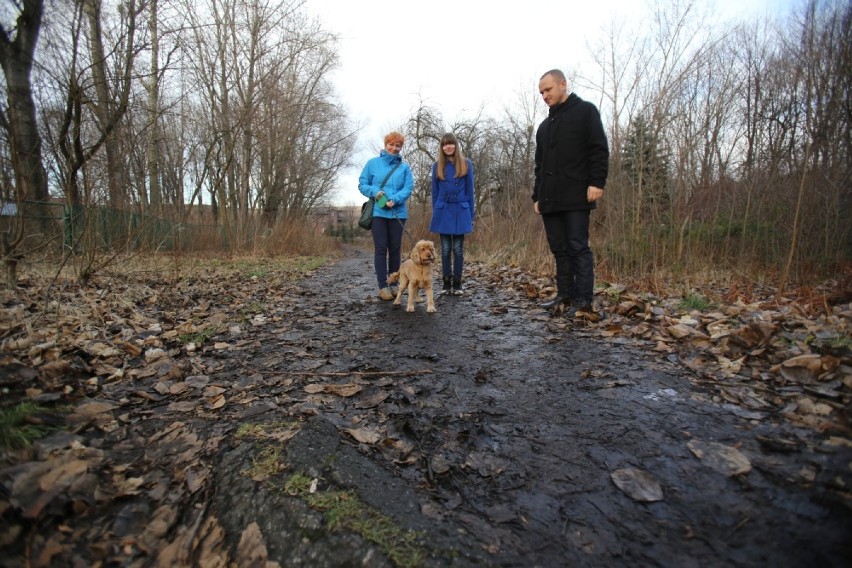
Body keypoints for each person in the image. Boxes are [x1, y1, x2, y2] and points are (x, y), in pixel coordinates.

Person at [533, 69, 609, 318]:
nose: (545, 95)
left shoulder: (585, 111)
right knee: (559, 249)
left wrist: (597, 182)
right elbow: (539, 165)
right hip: (549, 200)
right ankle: (564, 295)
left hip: (577, 195)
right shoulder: (544, 127)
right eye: (541, 92)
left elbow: (598, 149)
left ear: (563, 84)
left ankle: (584, 299)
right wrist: (537, 196)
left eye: (548, 89)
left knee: (578, 247)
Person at [359, 131, 414, 300]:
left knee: (395, 250)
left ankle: (393, 283)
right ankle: (383, 286)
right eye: (391, 144)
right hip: (378, 213)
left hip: (398, 213)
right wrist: (375, 192)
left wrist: (395, 199)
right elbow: (362, 184)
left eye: (398, 146)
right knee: (381, 249)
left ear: (401, 147)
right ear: (385, 145)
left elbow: (408, 188)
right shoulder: (372, 164)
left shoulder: (404, 168)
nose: (394, 148)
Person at [429, 133, 475, 295]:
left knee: (458, 248)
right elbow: (434, 192)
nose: (448, 147)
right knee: (446, 248)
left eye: (451, 144)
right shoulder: (437, 166)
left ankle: (458, 283)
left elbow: (470, 191)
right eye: (445, 144)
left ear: (456, 145)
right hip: (443, 210)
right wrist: (436, 212)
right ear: (442, 147)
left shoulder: (466, 164)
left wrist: (471, 215)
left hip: (461, 211)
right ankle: (446, 283)